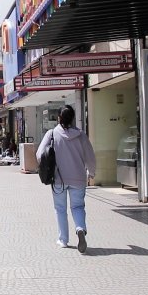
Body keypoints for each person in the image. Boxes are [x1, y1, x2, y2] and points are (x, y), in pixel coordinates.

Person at [36, 105, 96, 254]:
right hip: (78, 178)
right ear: (72, 119)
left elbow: (39, 154)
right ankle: (80, 228)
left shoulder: (52, 134)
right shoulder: (81, 135)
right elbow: (90, 156)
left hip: (58, 179)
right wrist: (92, 172)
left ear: (58, 118)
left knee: (60, 209)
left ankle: (63, 240)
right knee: (78, 207)